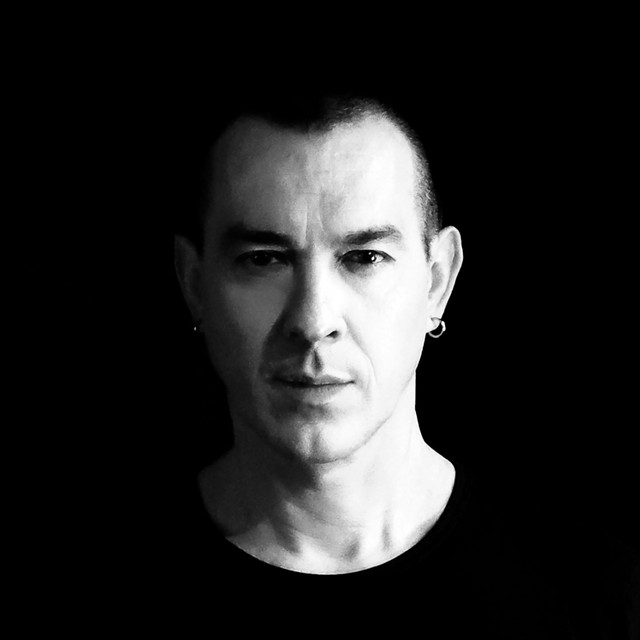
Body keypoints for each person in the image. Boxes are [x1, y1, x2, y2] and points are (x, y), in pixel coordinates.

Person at [169, 89, 638, 636]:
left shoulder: (599, 595)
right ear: (195, 285)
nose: (314, 320)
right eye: (264, 259)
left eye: (365, 258)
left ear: (437, 282)